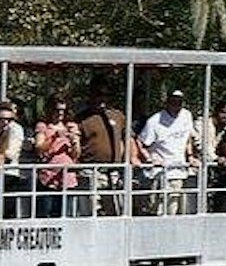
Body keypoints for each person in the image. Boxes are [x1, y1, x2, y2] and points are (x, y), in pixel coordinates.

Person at [137, 88, 198, 216]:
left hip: (182, 170)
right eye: (173, 101)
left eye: (179, 101)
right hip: (163, 173)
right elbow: (140, 142)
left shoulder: (187, 115)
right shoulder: (154, 120)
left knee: (185, 210)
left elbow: (188, 138)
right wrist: (150, 158)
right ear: (167, 102)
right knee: (165, 210)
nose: (176, 104)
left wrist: (190, 156)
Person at [76, 80, 129, 216]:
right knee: (91, 211)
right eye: (98, 94)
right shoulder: (82, 118)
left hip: (114, 172)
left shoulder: (117, 115)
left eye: (105, 94)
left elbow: (128, 138)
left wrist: (127, 159)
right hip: (91, 171)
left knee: (116, 210)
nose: (102, 98)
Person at [33, 93, 81, 218]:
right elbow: (39, 148)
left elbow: (76, 155)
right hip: (48, 177)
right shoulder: (43, 126)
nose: (60, 113)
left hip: (67, 176)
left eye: (63, 110)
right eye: (57, 110)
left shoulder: (71, 126)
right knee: (46, 215)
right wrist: (54, 137)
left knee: (67, 214)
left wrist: (75, 142)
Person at [200, 100, 226, 211]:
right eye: (223, 112)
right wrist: (215, 159)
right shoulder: (202, 124)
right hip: (199, 169)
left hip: (217, 172)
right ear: (216, 112)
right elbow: (201, 145)